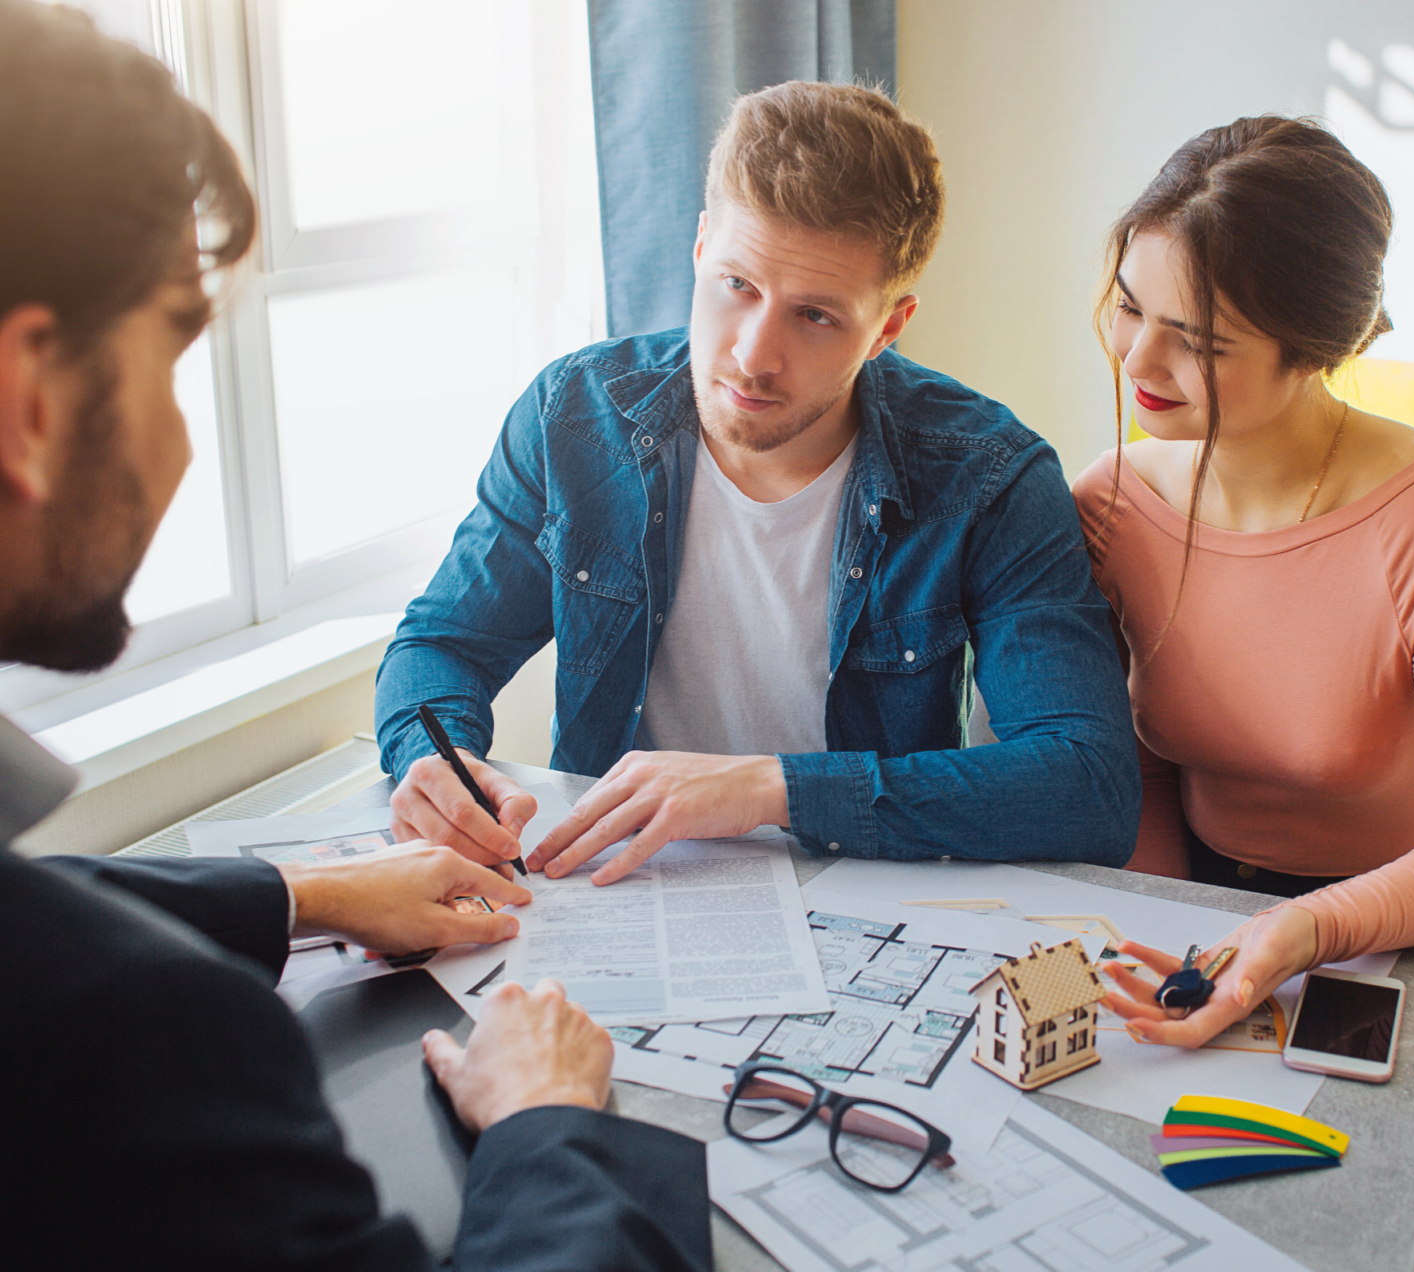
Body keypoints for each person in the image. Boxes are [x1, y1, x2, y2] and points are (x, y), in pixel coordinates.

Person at [0, 6, 709, 1268]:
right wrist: (548, 1126)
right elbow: (436, 643)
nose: (181, 439)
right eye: (173, 354)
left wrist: (304, 892)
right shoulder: (147, 1040)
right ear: (27, 403)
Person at [375, 81, 1139, 886]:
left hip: (868, 894)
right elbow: (442, 644)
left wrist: (769, 789)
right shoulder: (573, 416)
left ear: (889, 326)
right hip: (615, 888)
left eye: (815, 316)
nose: (752, 355)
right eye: (737, 285)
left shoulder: (989, 473)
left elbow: (1088, 785)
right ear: (702, 246)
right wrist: (436, 758)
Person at [1071, 117, 1414, 1160]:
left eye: (1198, 342)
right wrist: (1172, 922)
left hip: (1404, 939)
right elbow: (1144, 761)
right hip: (1200, 906)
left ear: (1316, 349)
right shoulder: (1110, 507)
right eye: (1127, 306)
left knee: (1267, 1194)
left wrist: (1300, 932)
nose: (1140, 360)